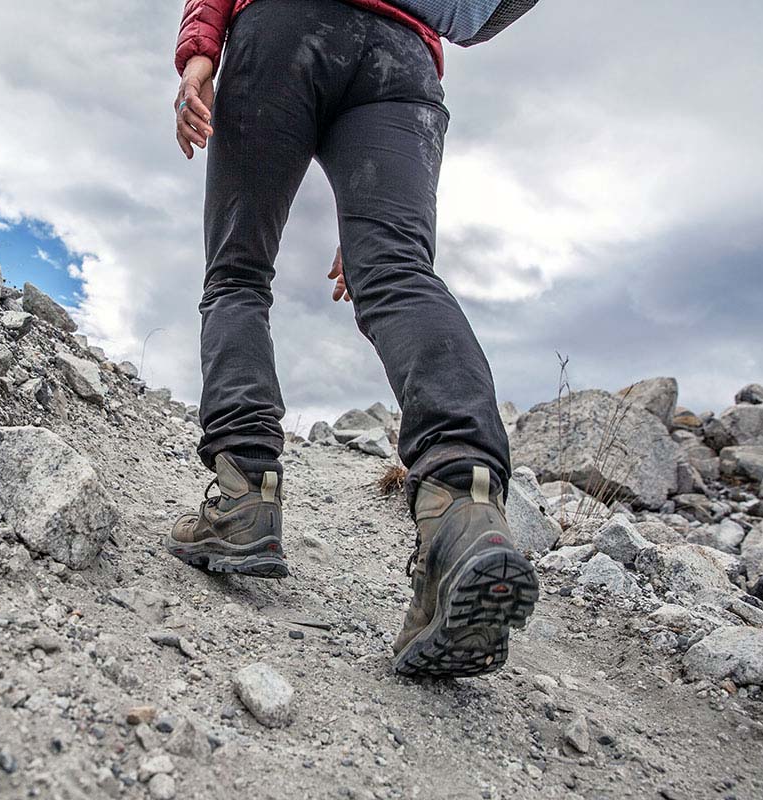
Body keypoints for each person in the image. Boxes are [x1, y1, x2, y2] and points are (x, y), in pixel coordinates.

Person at [165, 0, 540, 679]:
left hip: (286, 28)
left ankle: (244, 493)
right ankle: (464, 501)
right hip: (403, 58)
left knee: (237, 273)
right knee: (396, 269)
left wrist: (199, 54)